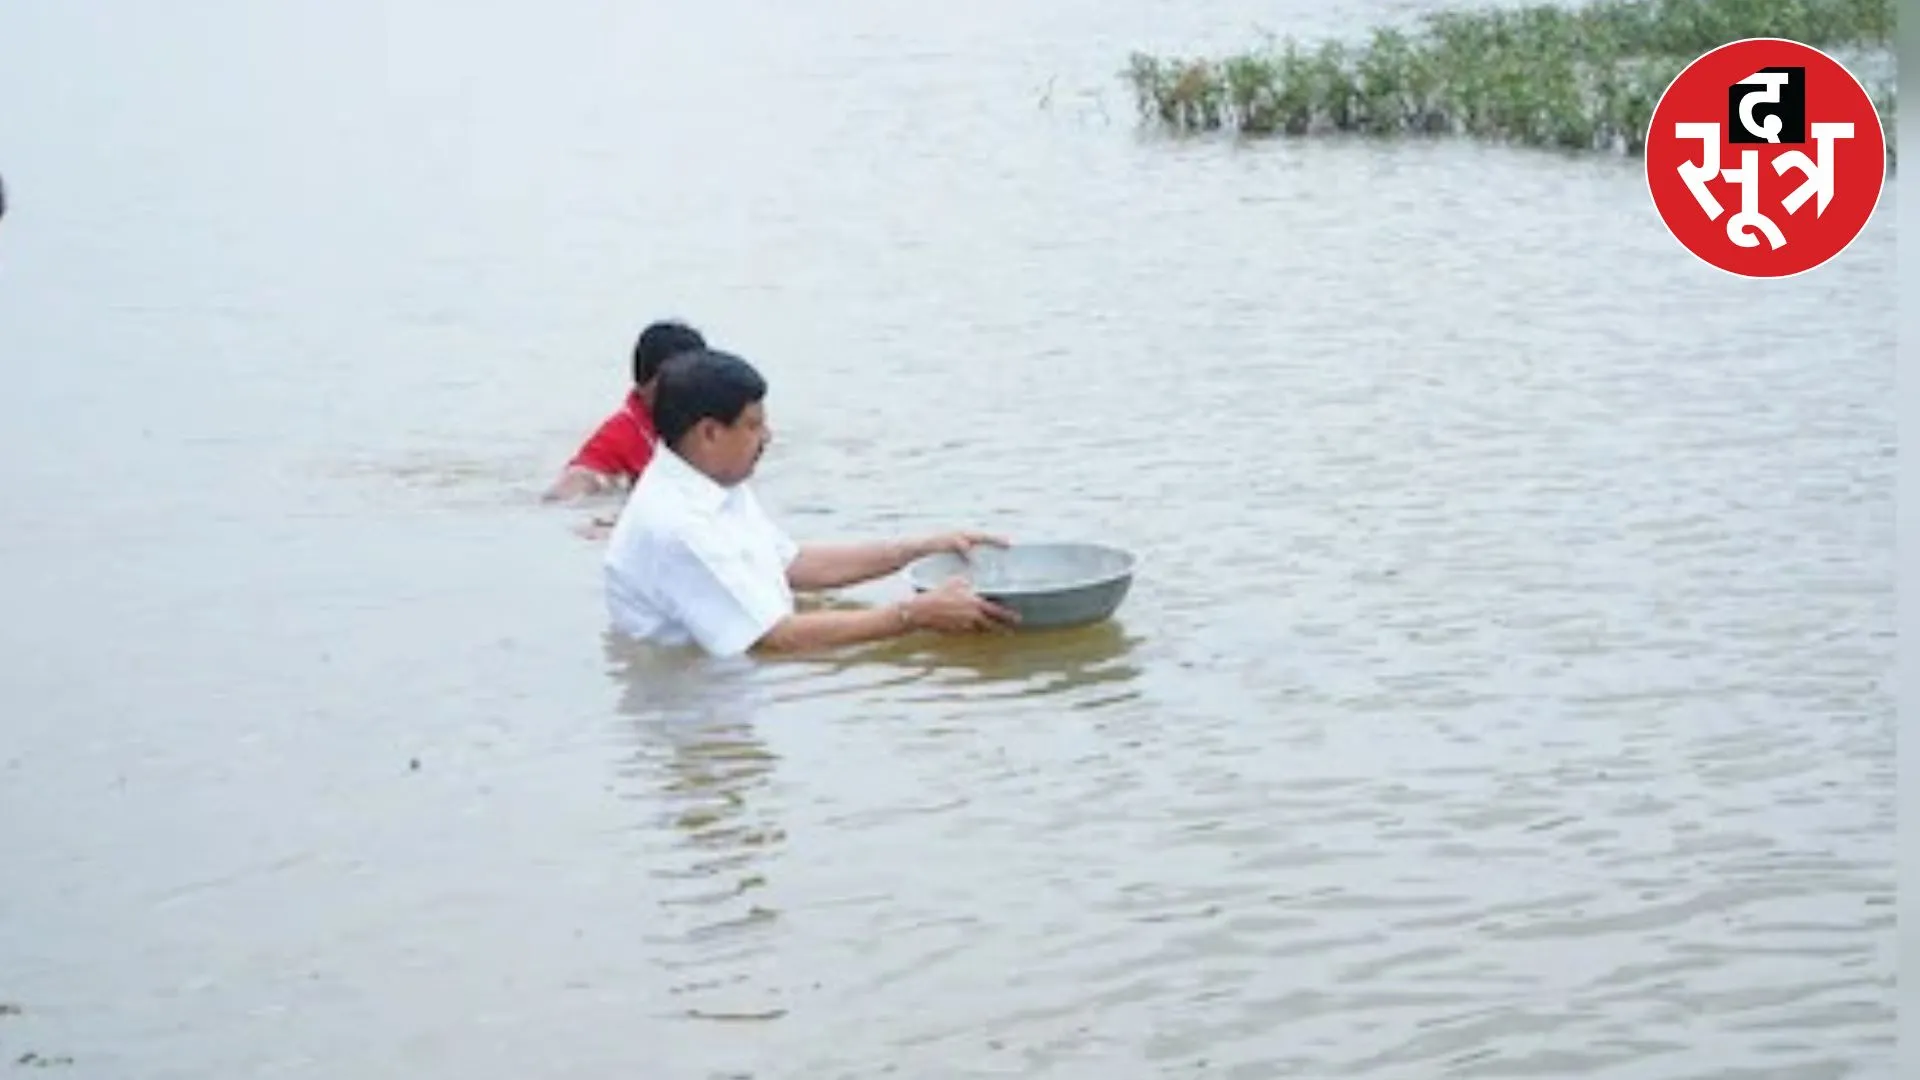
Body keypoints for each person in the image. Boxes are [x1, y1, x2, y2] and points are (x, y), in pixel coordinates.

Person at [604, 348, 1020, 657]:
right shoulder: (678, 527)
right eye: (753, 426)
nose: (768, 437)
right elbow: (775, 638)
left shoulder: (711, 482)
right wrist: (912, 616)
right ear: (709, 433)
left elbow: (791, 564)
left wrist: (919, 549)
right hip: (703, 706)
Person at [542, 319, 708, 503]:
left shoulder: (706, 419)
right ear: (643, 384)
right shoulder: (622, 432)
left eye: (697, 383)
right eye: (676, 384)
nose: (688, 393)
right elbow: (571, 483)